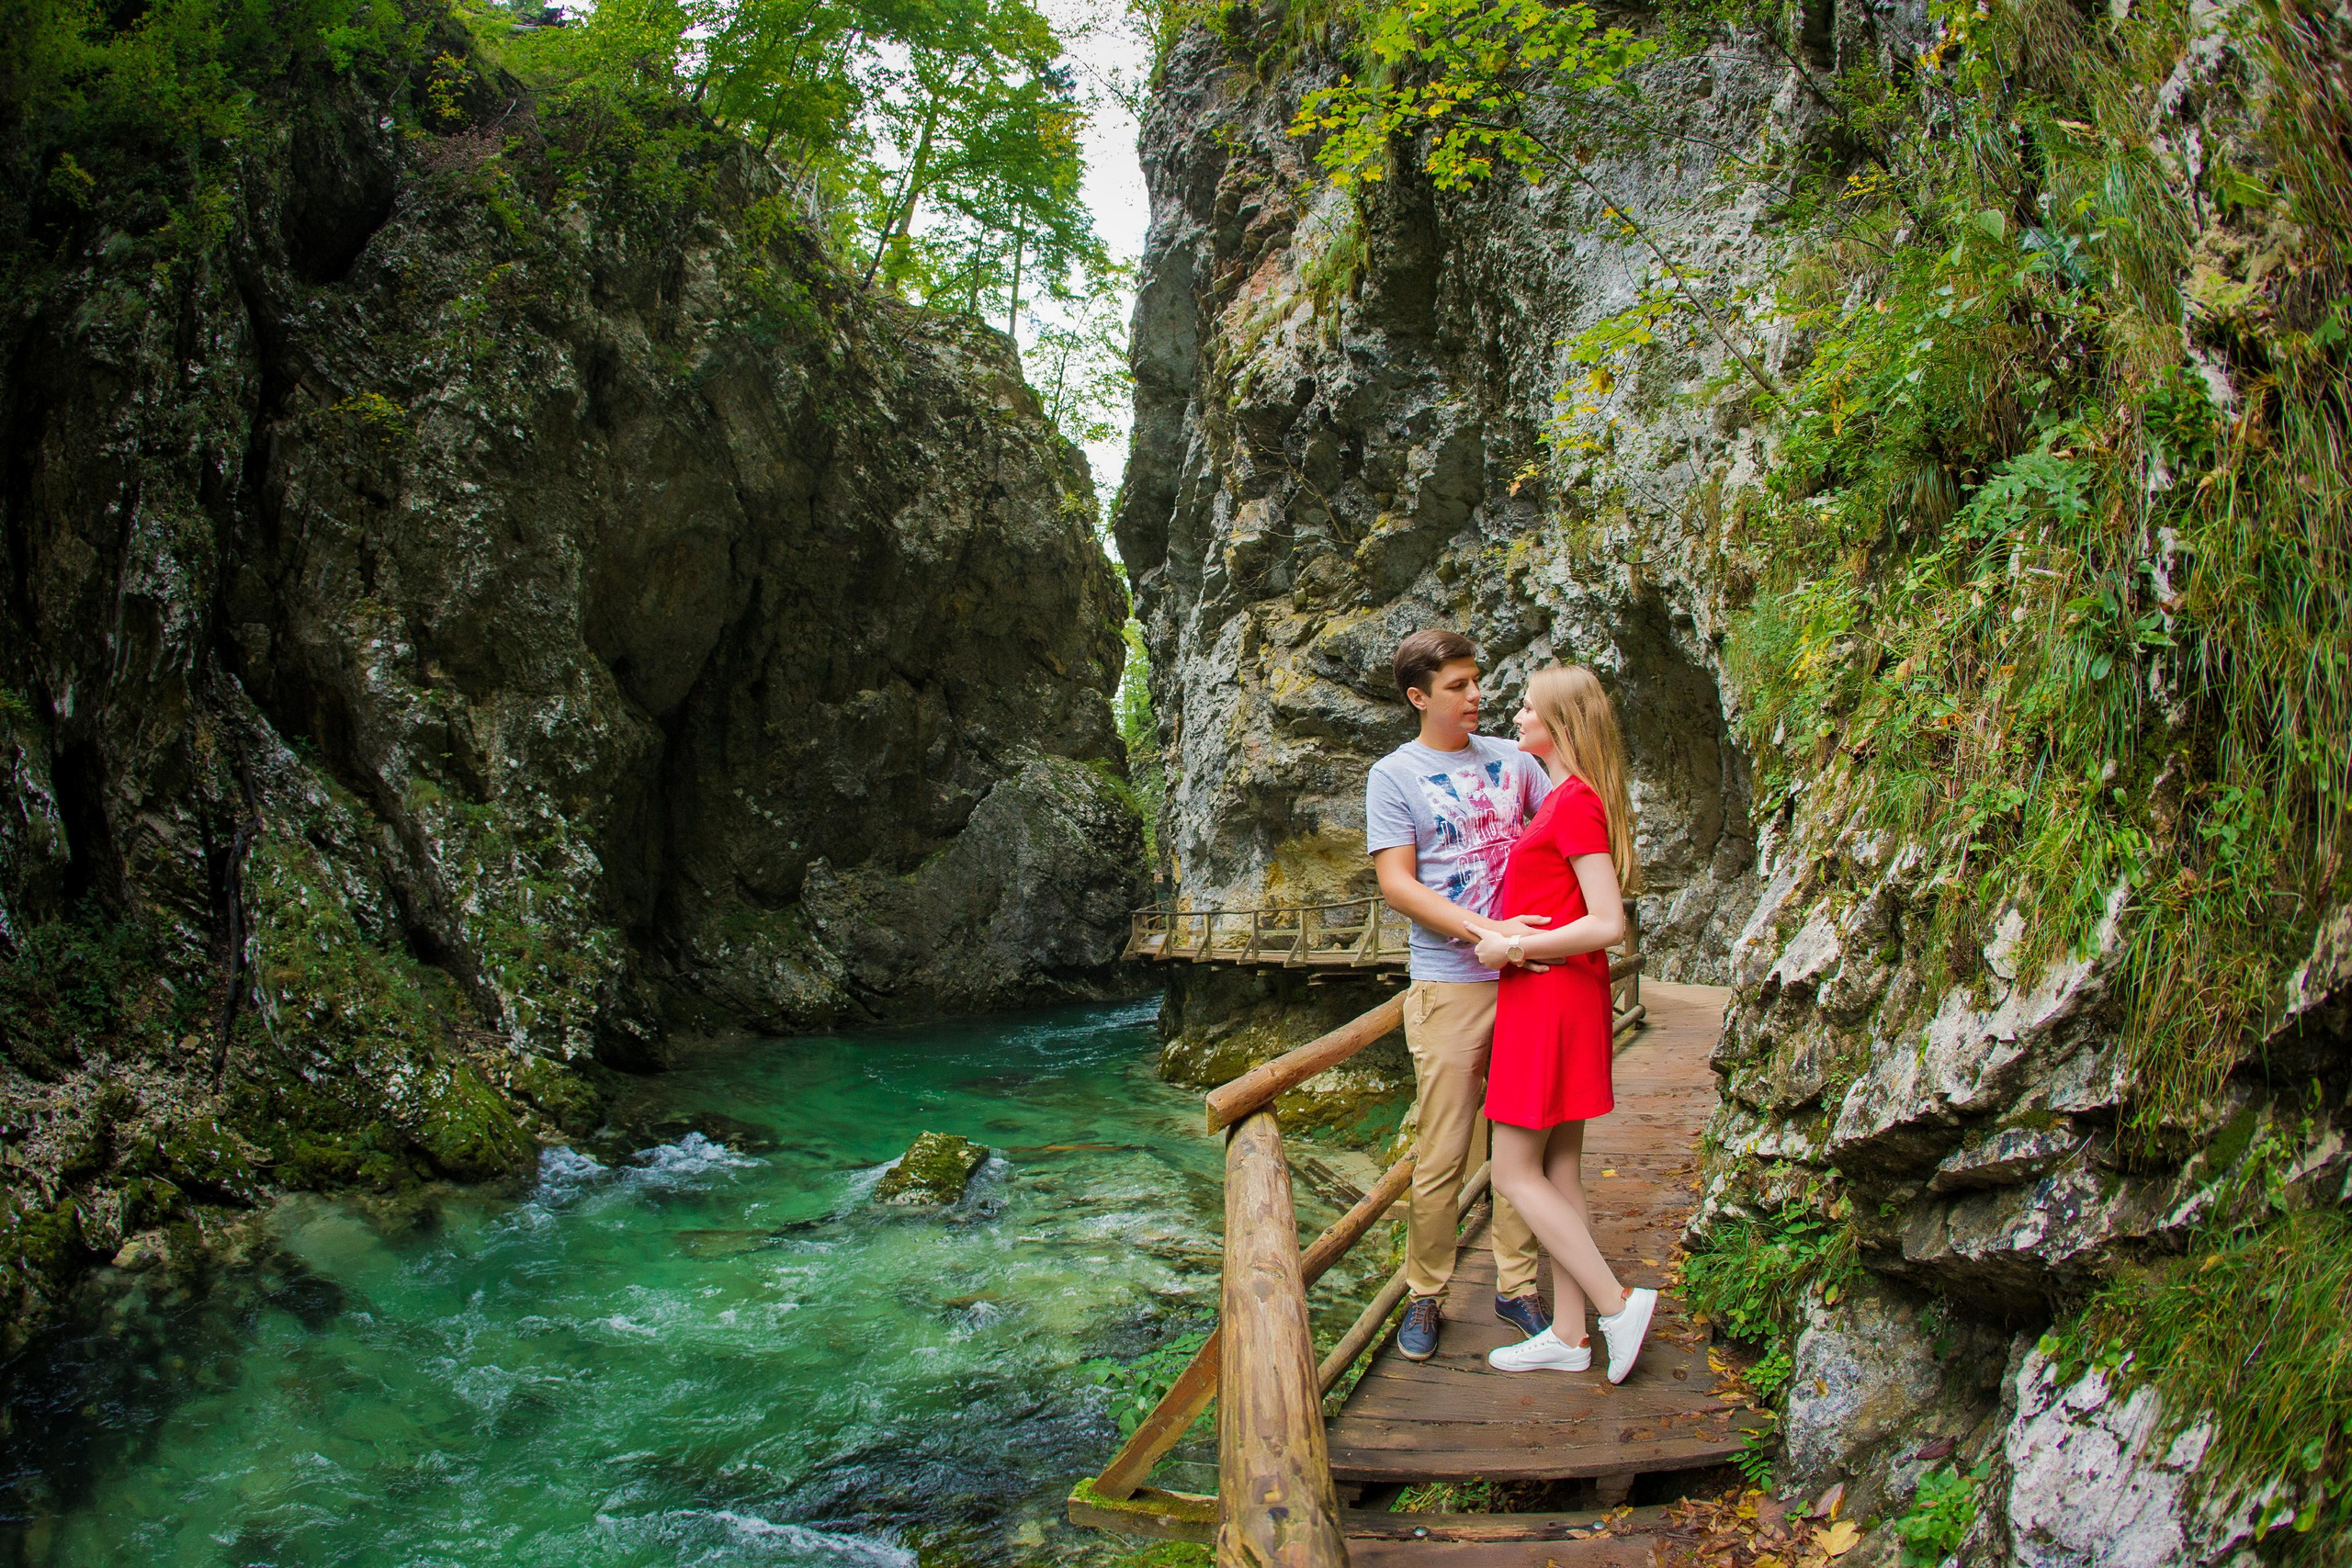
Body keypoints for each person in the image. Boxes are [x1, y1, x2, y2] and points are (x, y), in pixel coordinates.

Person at [1364, 629, 1557, 1361]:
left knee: (1521, 1140)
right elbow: (1398, 883)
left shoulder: (1515, 761)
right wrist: (1488, 929)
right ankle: (1426, 1293)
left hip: (1528, 978)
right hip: (1450, 982)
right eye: (1458, 686)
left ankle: (1517, 1284)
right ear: (1419, 696)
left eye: (1477, 681)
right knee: (1443, 1150)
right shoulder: (1394, 775)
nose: (1476, 695)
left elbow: (1559, 828)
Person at [1464, 663, 1657, 1383]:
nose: (1514, 716)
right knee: (1560, 1168)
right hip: (1561, 995)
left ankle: (1616, 1303)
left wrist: (1512, 944)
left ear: (1560, 722)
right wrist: (1512, 927)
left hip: (1545, 998)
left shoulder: (1573, 802)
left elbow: (1606, 922)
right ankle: (1571, 1335)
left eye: (1526, 707)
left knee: (1512, 1172)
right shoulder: (1569, 796)